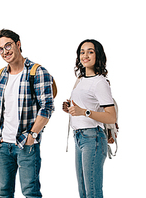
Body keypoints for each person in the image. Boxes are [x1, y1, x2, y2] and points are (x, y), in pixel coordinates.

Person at [0, 29, 55, 198]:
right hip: (2, 145)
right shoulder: (0, 76)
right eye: (0, 49)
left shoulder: (37, 72)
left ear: (18, 44)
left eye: (8, 45)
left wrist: (32, 135)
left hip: (26, 145)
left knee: (31, 193)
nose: (5, 51)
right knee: (4, 192)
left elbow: (47, 107)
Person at [62, 39, 116, 198]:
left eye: (90, 51)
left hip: (93, 138)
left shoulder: (100, 82)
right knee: (84, 192)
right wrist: (70, 109)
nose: (85, 55)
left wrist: (84, 112)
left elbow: (111, 116)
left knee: (92, 191)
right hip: (79, 136)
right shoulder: (80, 80)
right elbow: (83, 107)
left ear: (97, 55)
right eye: (82, 52)